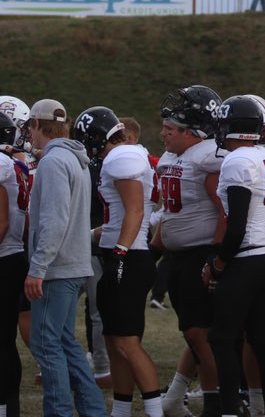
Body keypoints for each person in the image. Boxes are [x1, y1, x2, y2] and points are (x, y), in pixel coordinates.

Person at [72, 107, 161, 417]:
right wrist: (86, 236)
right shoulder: (127, 154)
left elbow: (135, 211)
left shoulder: (121, 157)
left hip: (129, 257)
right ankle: (120, 411)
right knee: (113, 342)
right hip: (120, 251)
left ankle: (154, 410)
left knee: (127, 343)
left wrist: (120, 254)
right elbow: (118, 218)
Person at [23, 98, 107, 417]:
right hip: (73, 264)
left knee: (47, 345)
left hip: (57, 268)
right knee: (65, 342)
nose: (28, 134)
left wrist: (38, 267)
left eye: (30, 126)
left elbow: (54, 220)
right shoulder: (76, 159)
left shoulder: (54, 162)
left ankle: (59, 412)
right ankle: (93, 410)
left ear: (36, 124)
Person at [205, 95, 265, 417]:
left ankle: (229, 411)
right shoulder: (264, 156)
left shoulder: (238, 161)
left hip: (245, 259)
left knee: (223, 339)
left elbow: (235, 227)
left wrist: (218, 265)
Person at [154, 85, 225, 417]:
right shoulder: (177, 155)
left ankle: (217, 402)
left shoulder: (209, 156)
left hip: (200, 255)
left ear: (193, 129)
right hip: (179, 256)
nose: (164, 133)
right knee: (193, 332)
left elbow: (226, 212)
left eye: (171, 128)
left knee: (200, 333)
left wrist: (216, 256)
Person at [0, 113, 28, 417]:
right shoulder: (15, 163)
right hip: (14, 256)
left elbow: (2, 223)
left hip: (4, 258)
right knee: (6, 342)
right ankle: (11, 406)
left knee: (2, 342)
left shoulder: (2, 164)